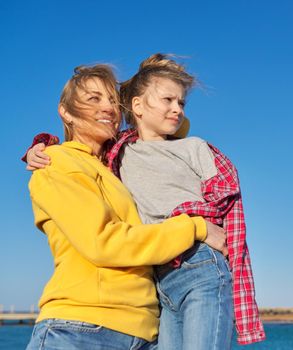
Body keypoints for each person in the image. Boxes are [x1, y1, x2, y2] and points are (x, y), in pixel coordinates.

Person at [25, 54, 266, 349]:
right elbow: (104, 243)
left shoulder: (116, 164)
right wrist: (195, 227)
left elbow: (164, 132)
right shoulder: (58, 162)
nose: (108, 108)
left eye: (114, 101)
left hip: (142, 334)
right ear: (66, 112)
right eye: (93, 98)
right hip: (80, 329)